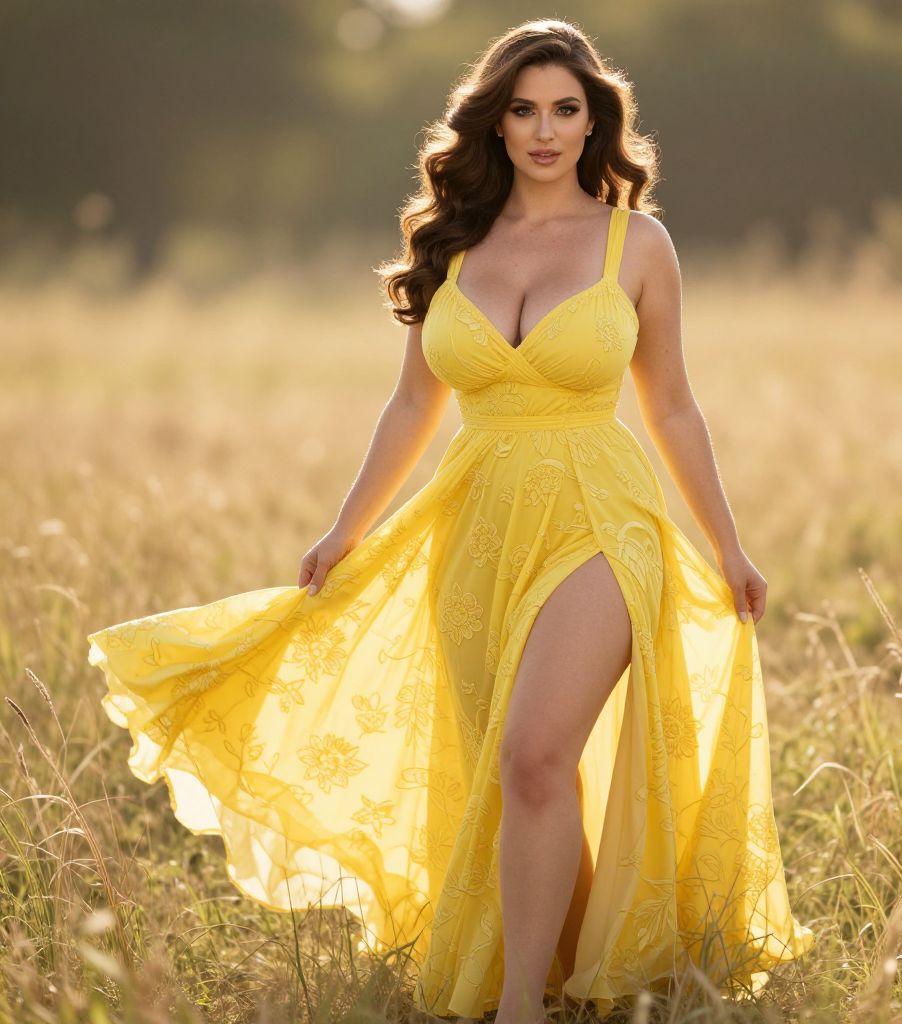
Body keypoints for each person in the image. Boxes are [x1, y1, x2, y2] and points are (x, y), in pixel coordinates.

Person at [86, 17, 814, 1024]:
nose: (546, 130)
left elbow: (673, 405)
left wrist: (726, 543)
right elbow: (410, 405)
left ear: (595, 120)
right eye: (524, 110)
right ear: (496, 123)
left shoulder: (635, 244)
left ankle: (518, 1006)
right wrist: (343, 529)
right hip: (472, 522)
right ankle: (579, 976)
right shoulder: (454, 244)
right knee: (518, 774)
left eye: (566, 109)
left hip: (603, 514)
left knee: (533, 750)